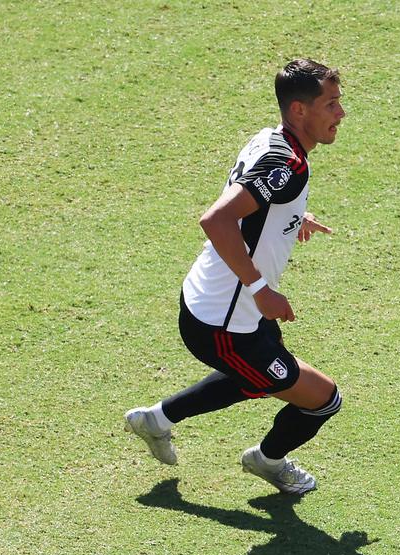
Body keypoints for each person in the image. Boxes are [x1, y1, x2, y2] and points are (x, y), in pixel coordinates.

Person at [124, 59, 347, 495]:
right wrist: (261, 289)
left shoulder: (272, 140)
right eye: (332, 104)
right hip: (222, 323)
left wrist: (294, 216)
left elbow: (254, 205)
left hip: (220, 304)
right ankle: (267, 460)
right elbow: (216, 220)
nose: (340, 113)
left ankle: (157, 419)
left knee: (261, 379)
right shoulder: (287, 164)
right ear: (300, 110)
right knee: (321, 400)